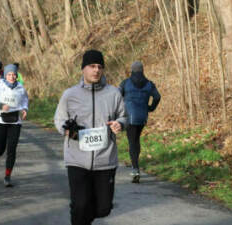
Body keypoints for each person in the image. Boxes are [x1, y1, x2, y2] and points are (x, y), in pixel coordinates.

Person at [54, 50, 127, 225]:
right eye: (92, 66)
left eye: (100, 67)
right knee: (80, 205)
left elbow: (124, 116)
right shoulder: (70, 95)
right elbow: (59, 119)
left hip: (105, 159)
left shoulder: (113, 93)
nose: (96, 70)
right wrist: (66, 129)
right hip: (77, 159)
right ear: (83, 69)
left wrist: (120, 124)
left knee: (104, 208)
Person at [0, 64, 28, 187]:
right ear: (5, 75)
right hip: (0, 120)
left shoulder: (20, 88)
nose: (12, 77)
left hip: (15, 121)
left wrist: (25, 109)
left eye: (14, 74)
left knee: (12, 149)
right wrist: (0, 105)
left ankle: (8, 176)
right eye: (9, 74)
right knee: (0, 146)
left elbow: (25, 100)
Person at [119, 61, 161, 183]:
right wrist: (151, 108)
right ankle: (135, 166)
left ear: (132, 70)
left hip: (129, 117)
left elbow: (117, 96)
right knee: (136, 140)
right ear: (142, 70)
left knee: (132, 142)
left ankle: (135, 169)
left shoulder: (125, 83)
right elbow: (157, 97)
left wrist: (120, 110)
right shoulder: (149, 84)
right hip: (142, 116)